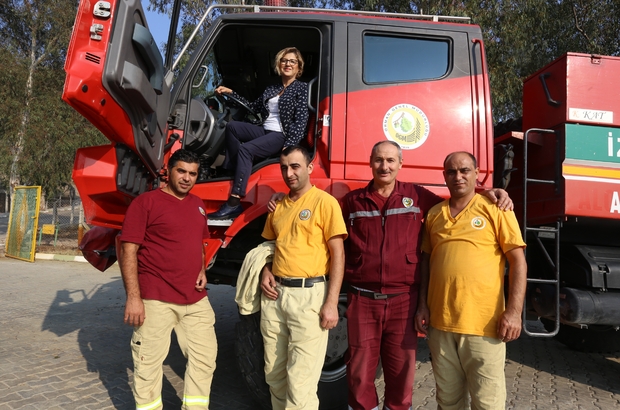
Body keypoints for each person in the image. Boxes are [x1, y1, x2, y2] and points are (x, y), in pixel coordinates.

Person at [339, 141, 513, 410]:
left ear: (400, 164)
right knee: (359, 374)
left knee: (402, 375)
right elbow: (324, 229)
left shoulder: (418, 197)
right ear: (370, 162)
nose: (384, 166)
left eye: (390, 160)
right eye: (378, 160)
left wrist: (489, 191)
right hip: (362, 299)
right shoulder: (351, 202)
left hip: (402, 301)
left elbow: (460, 197)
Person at [415, 151, 527, 410]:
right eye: (452, 172)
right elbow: (426, 264)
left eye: (465, 170)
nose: (458, 176)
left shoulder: (496, 208)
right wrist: (422, 305)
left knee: (487, 403)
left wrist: (514, 312)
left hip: (484, 325)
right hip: (441, 327)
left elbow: (518, 262)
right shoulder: (434, 214)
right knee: (448, 401)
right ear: (444, 176)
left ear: (477, 174)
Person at [119, 149, 217, 410]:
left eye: (193, 173)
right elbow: (128, 250)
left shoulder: (198, 204)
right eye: (181, 171)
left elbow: (200, 243)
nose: (187, 178)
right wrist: (133, 298)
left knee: (205, 359)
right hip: (155, 298)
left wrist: (202, 269)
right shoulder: (146, 203)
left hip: (195, 300)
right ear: (169, 170)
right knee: (147, 364)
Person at [260, 145, 347, 410]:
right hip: (275, 297)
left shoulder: (325, 202)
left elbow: (338, 255)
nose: (289, 173)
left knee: (301, 381)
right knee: (274, 376)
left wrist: (331, 303)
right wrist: (266, 271)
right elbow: (270, 248)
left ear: (309, 168)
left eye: (295, 166)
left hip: (309, 297)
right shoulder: (278, 206)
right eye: (284, 167)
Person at [208, 47, 309, 220]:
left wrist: (290, 144)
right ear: (279, 64)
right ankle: (233, 171)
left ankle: (234, 202)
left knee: (246, 150)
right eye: (284, 60)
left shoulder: (302, 88)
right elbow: (253, 107)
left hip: (280, 135)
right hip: (264, 129)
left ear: (299, 67)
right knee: (233, 127)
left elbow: (301, 119)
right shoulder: (272, 88)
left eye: (292, 61)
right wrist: (231, 93)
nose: (288, 64)